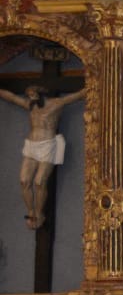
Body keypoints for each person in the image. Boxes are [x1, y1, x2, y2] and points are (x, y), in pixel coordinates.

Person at [0, 83, 84, 228]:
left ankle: (39, 213)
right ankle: (30, 211)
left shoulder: (56, 103)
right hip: (31, 145)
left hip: (47, 145)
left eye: (33, 95)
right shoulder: (30, 105)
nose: (31, 99)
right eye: (29, 96)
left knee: (39, 182)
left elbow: (77, 96)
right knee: (24, 181)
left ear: (41, 94)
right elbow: (12, 98)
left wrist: (93, 85)